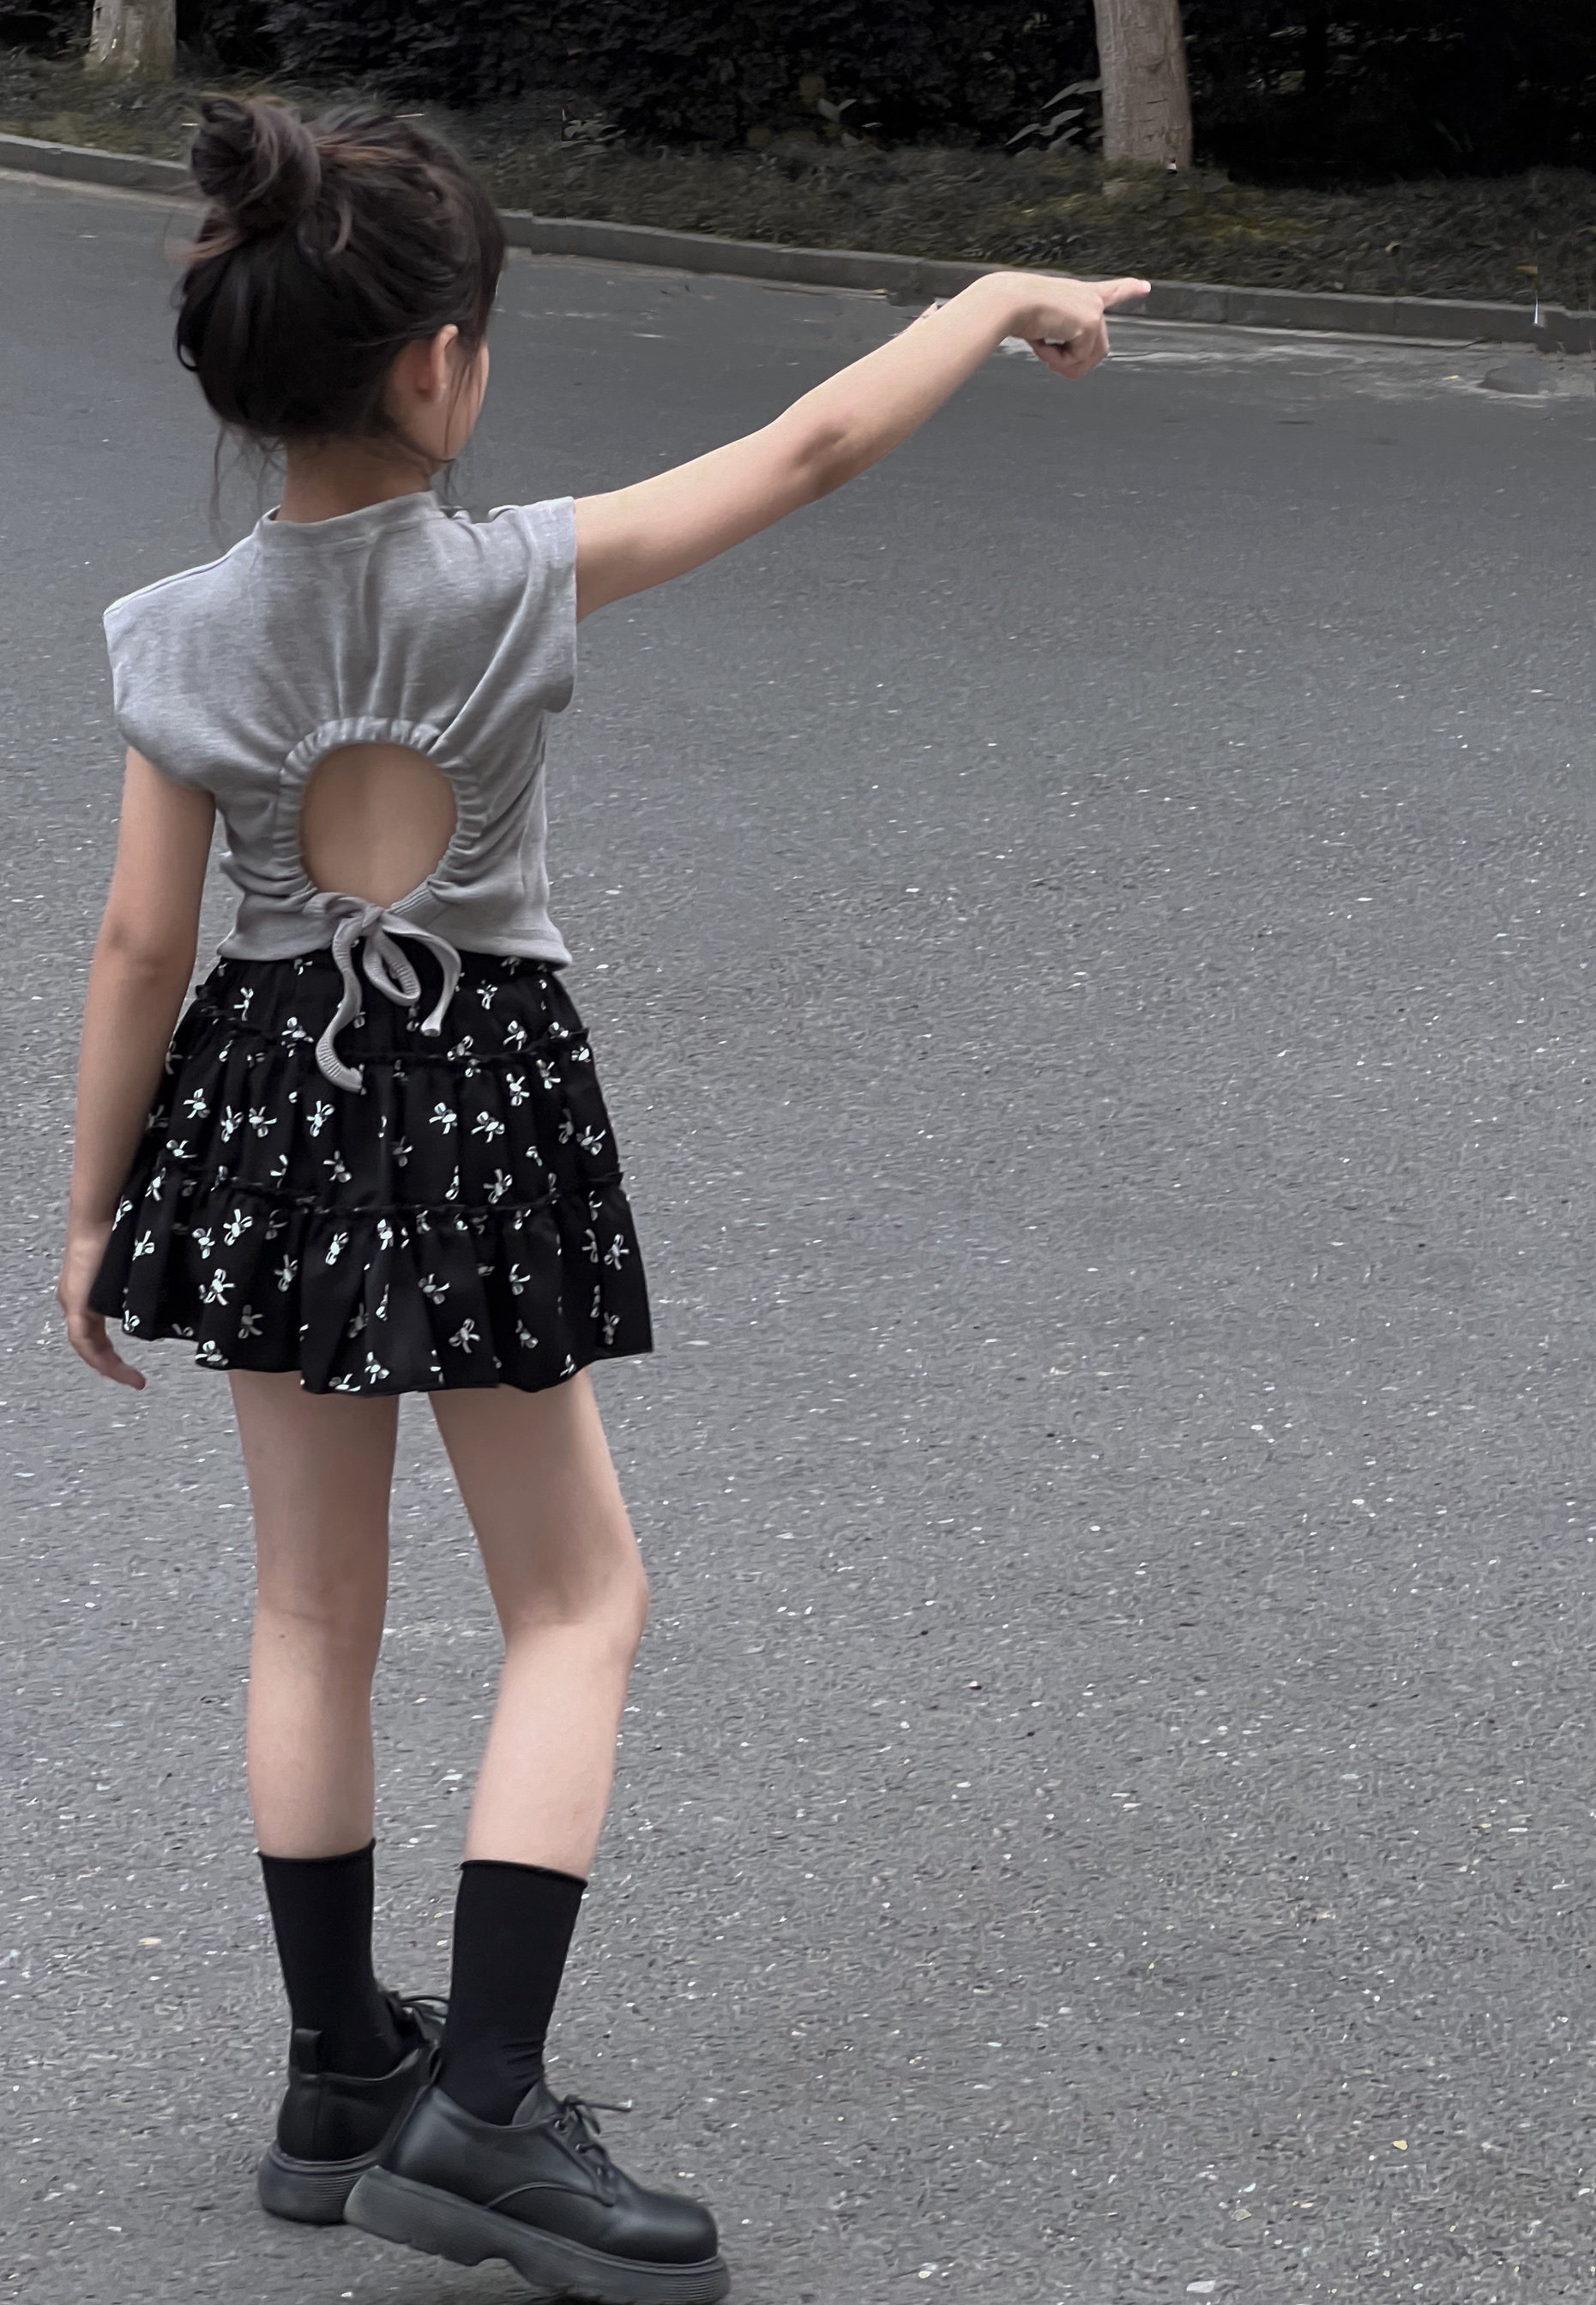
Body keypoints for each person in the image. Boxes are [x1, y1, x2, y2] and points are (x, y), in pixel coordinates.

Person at [56, 89, 1146, 2302]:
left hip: (264, 1105)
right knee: (577, 1601)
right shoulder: (515, 571)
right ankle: (484, 2109)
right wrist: (985, 298)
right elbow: (809, 452)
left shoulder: (171, 631)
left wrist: (91, 1215)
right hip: (472, 1098)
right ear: (439, 364)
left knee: (308, 1608)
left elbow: (142, 947)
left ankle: (336, 2073)